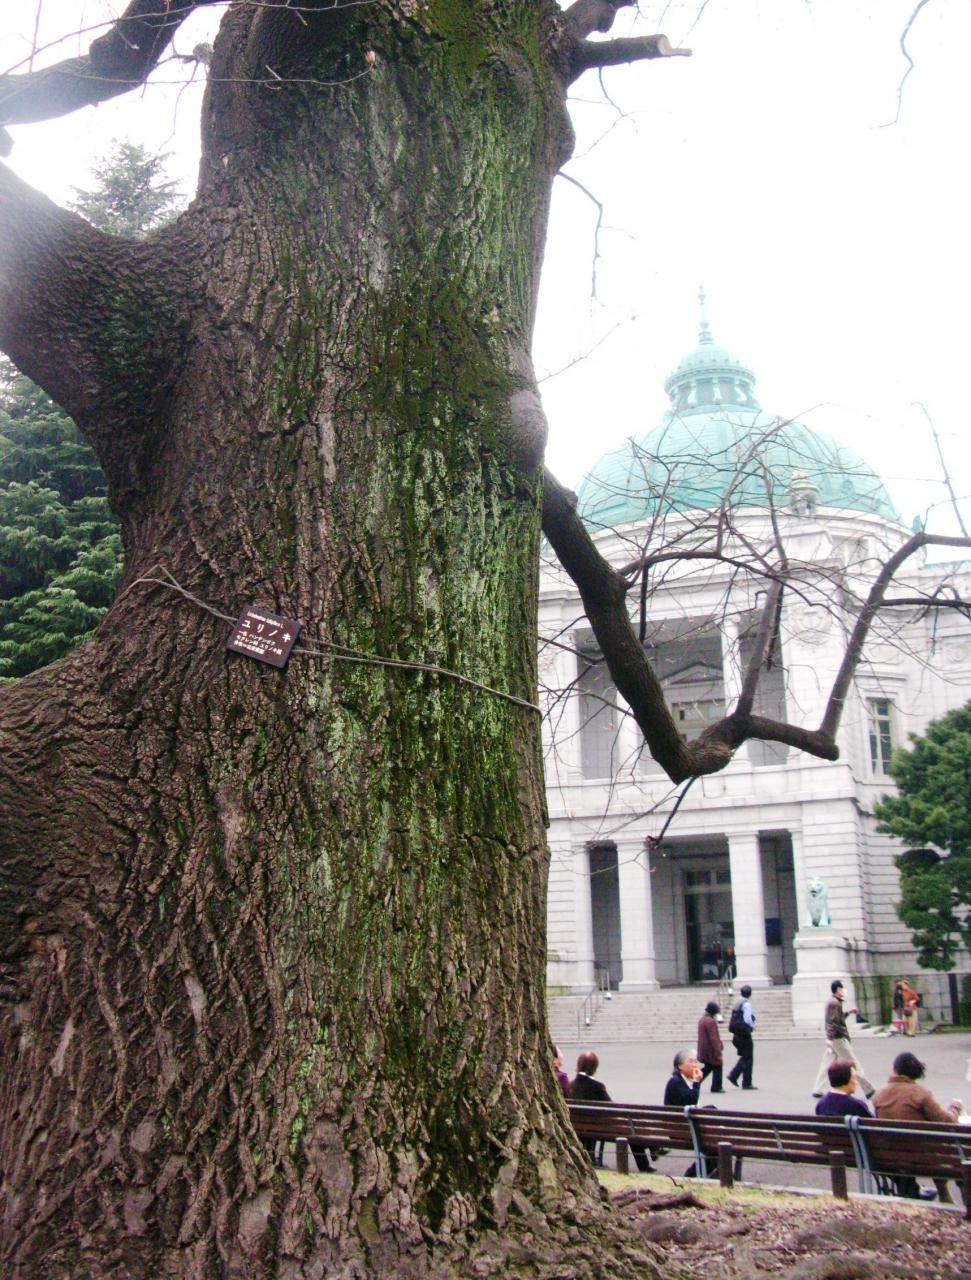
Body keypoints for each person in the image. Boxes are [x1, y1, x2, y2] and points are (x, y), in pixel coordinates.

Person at [872, 1051, 964, 1201]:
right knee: (959, 1154)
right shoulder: (920, 1094)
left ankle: (944, 1195)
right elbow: (947, 1121)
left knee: (934, 1149)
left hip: (893, 1158)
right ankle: (955, 1197)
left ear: (895, 1070)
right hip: (927, 1159)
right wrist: (956, 1107)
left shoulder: (879, 1096)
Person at [568, 1052, 652, 1173]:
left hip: (579, 1127)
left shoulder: (571, 1085)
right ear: (594, 1068)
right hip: (600, 1128)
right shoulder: (597, 1086)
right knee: (631, 1129)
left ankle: (653, 1150)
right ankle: (645, 1162)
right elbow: (611, 1108)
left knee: (631, 1129)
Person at [811, 979, 874, 1098]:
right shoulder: (835, 1003)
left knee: (826, 1064)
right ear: (838, 990)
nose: (844, 991)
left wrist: (849, 1012)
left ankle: (817, 1089)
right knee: (853, 1063)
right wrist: (830, 1038)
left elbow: (837, 1019)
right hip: (838, 1039)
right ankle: (868, 1089)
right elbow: (832, 1022)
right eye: (842, 989)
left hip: (834, 1039)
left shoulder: (834, 1002)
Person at [727, 984, 756, 1089]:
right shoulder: (746, 1004)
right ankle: (740, 1079)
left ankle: (740, 1078)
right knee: (748, 1058)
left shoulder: (737, 1002)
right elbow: (747, 1019)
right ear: (750, 994)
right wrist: (752, 1026)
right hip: (744, 1034)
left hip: (736, 1034)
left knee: (745, 1057)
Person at [696, 1001, 724, 1093]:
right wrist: (718, 1050)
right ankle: (716, 1087)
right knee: (718, 1064)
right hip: (710, 1050)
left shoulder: (702, 1020)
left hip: (703, 1049)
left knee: (708, 1067)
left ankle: (695, 1081)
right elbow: (714, 1038)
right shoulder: (711, 1022)